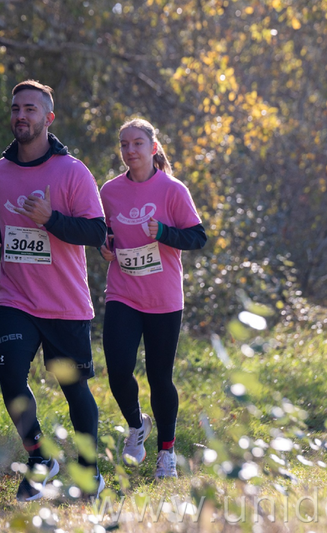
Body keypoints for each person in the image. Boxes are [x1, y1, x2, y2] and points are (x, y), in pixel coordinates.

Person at [0, 80, 107, 501]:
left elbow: (96, 232)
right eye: (16, 108)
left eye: (30, 109)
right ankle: (39, 458)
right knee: (11, 377)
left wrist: (51, 219)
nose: (21, 115)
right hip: (15, 298)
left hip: (64, 304)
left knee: (74, 388)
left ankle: (88, 470)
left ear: (48, 118)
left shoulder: (72, 172)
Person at [99, 118, 207, 479]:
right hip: (123, 293)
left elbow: (197, 237)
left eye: (137, 143)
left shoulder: (172, 190)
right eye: (124, 144)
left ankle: (166, 452)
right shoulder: (109, 191)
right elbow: (105, 232)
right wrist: (105, 247)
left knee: (160, 377)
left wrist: (162, 231)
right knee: (118, 370)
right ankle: (136, 425)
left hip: (163, 298)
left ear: (153, 148)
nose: (130, 150)